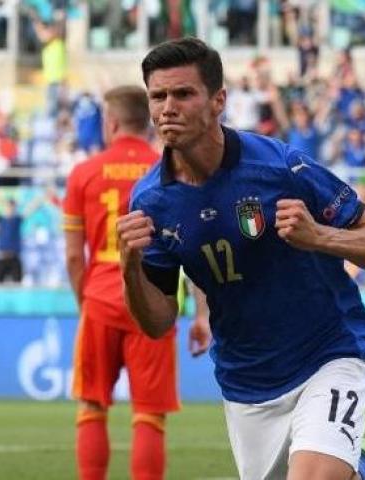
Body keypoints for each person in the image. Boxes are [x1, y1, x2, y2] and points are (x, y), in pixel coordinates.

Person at [116, 38, 365, 480]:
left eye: (183, 94)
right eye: (158, 96)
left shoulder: (279, 167)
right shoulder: (151, 201)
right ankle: (361, 470)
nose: (168, 107)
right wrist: (129, 267)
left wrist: (319, 236)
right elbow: (156, 322)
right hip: (246, 381)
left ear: (218, 101)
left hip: (327, 352)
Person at [62, 85, 210, 480]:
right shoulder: (173, 171)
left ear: (110, 123)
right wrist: (202, 314)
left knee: (92, 406)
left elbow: (76, 256)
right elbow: (195, 250)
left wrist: (86, 303)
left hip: (100, 301)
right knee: (149, 415)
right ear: (146, 122)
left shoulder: (83, 174)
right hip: (154, 298)